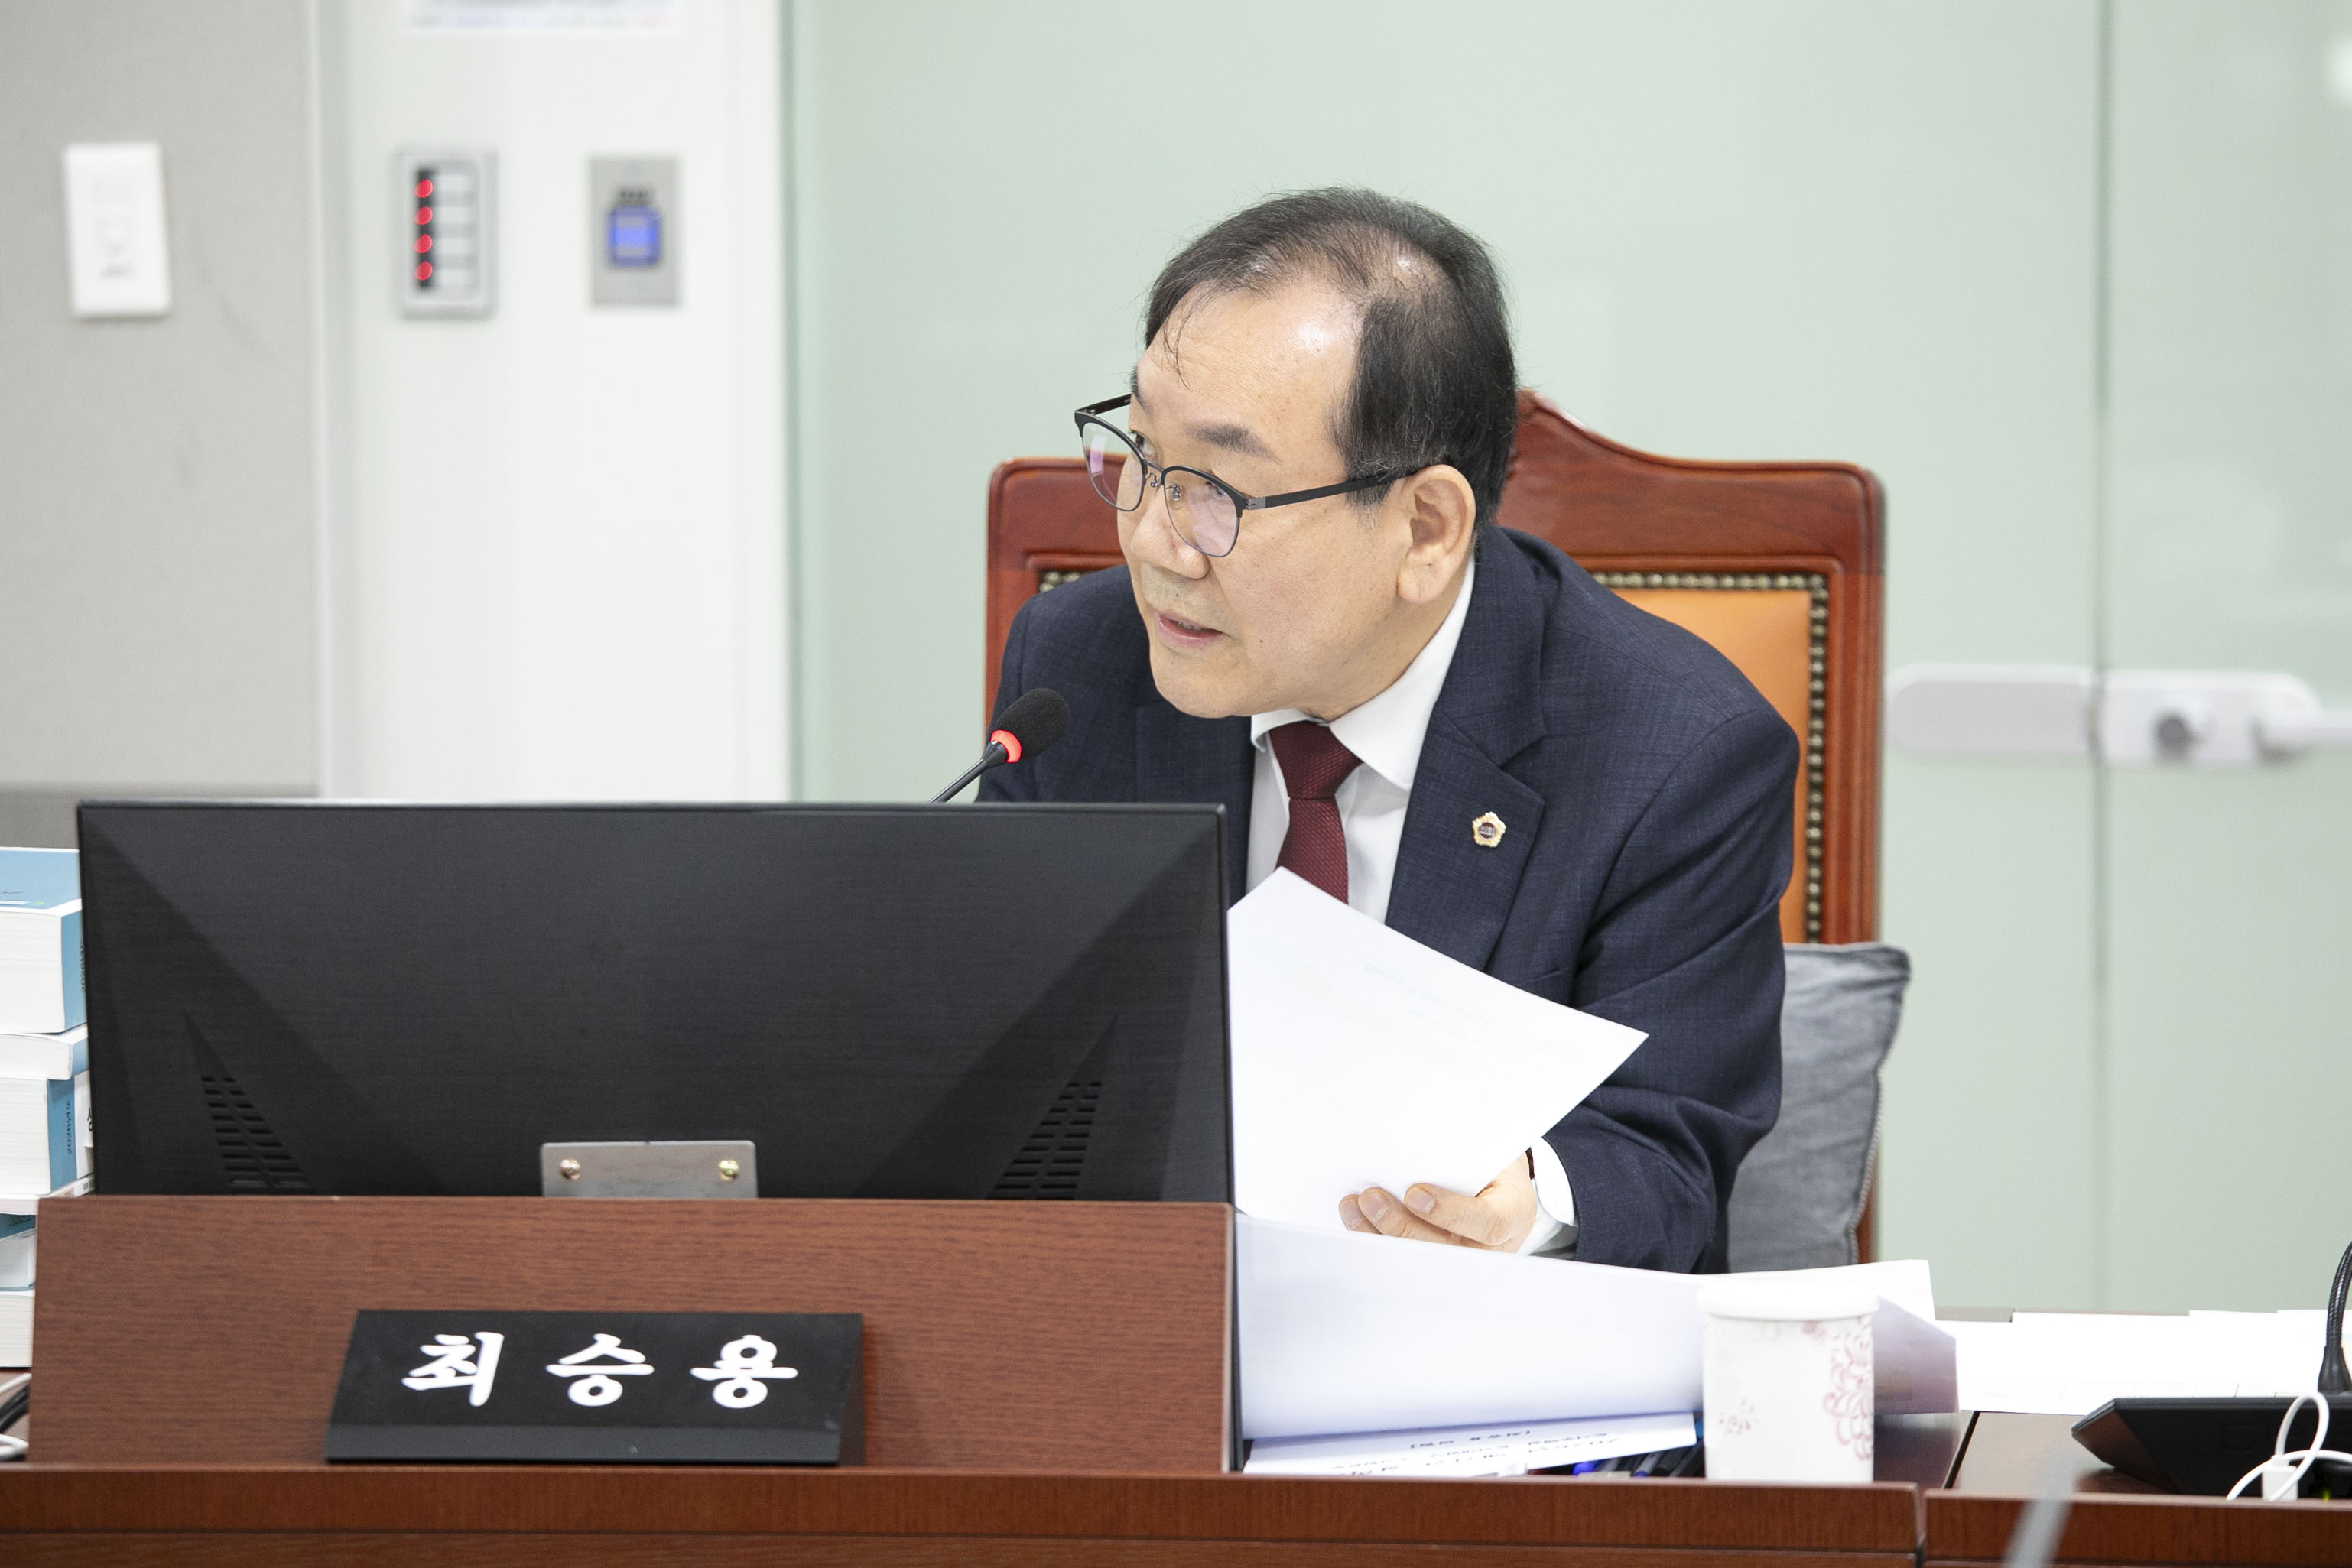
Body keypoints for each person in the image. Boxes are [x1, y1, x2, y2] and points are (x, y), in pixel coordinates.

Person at [982, 189, 1794, 1273]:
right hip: (1147, 1317)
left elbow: (1668, 1156)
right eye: (1139, 451)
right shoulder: (1080, 670)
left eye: (1216, 489)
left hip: (1468, 1344)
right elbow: (1014, 1070)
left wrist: (1527, 1206)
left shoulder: (1674, 754)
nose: (1150, 538)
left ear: (1426, 529)